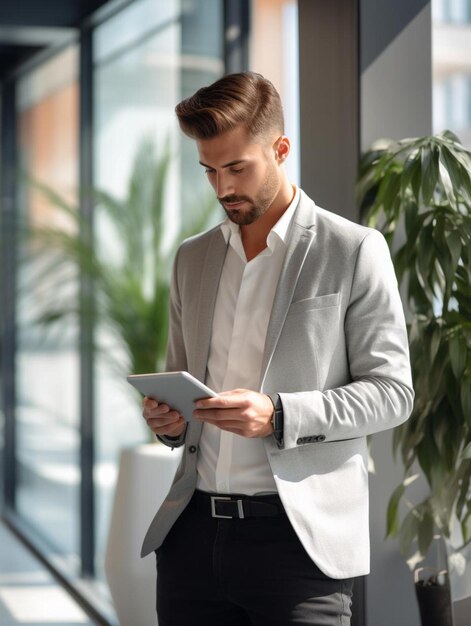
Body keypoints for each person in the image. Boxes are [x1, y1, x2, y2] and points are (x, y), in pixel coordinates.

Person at [141, 71, 414, 626]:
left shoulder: (353, 249)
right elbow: (181, 379)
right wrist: (168, 422)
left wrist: (279, 414)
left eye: (237, 167)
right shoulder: (190, 259)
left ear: (281, 148)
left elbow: (393, 394)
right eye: (210, 171)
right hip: (192, 538)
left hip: (299, 545)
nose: (223, 188)